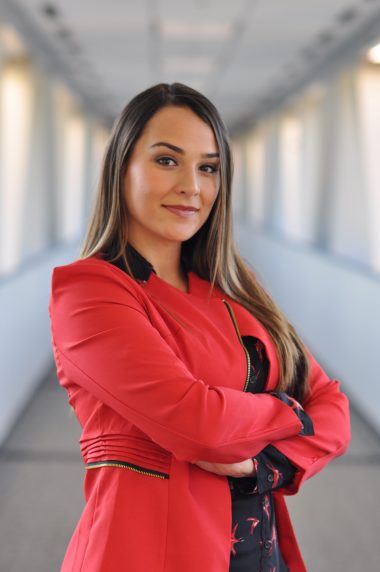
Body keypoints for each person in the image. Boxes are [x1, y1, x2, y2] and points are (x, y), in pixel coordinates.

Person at [49, 82, 350, 572]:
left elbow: (334, 406)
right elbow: (199, 424)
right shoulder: (89, 291)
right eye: (167, 160)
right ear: (121, 166)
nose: (192, 185)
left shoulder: (235, 285)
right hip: (150, 554)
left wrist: (264, 462)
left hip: (259, 552)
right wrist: (291, 409)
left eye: (208, 167)